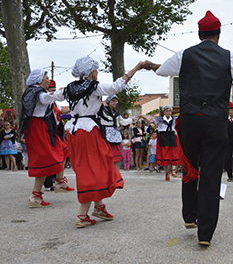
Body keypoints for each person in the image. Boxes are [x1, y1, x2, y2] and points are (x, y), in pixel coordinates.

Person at [145, 10, 233, 246]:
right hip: (215, 120)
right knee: (211, 173)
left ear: (199, 34)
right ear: (218, 34)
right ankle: (205, 233)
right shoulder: (229, 57)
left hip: (190, 119)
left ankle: (190, 216)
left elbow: (162, 70)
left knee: (190, 166)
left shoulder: (184, 55)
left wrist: (148, 65)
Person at [54, 56, 146, 227]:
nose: (97, 73)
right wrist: (137, 67)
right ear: (90, 72)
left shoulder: (69, 88)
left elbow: (51, 97)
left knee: (96, 166)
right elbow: (116, 86)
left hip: (74, 132)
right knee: (94, 169)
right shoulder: (93, 87)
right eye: (95, 70)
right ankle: (82, 215)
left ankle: (99, 207)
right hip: (89, 132)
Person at [21, 69, 73, 208]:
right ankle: (36, 195)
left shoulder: (32, 92)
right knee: (44, 161)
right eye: (46, 78)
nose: (48, 80)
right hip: (38, 128)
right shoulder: (37, 93)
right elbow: (46, 98)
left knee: (62, 149)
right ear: (39, 81)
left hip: (41, 127)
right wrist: (61, 92)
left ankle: (59, 181)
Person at [140, 105, 180, 181]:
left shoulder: (175, 119)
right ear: (164, 112)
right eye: (166, 111)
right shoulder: (159, 119)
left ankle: (174, 171)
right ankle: (167, 172)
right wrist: (143, 117)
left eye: (169, 111)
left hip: (172, 136)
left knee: (175, 154)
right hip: (163, 137)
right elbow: (150, 121)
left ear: (171, 112)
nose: (168, 112)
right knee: (165, 156)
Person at [98, 95, 123, 171]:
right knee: (107, 157)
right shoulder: (102, 111)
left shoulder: (116, 113)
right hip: (105, 134)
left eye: (116, 101)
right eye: (113, 101)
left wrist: (132, 119)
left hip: (115, 135)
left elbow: (123, 121)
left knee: (117, 158)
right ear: (108, 102)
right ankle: (107, 175)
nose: (115, 102)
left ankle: (117, 175)